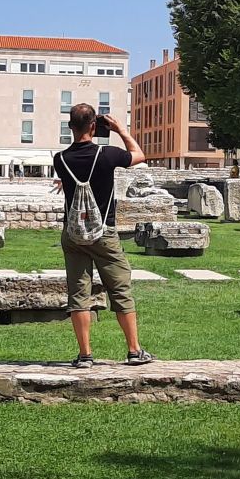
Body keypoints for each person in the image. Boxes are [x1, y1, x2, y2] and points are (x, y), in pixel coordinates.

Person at [53, 104, 153, 368]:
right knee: (120, 288)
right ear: (95, 126)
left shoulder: (60, 159)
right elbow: (139, 155)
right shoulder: (107, 154)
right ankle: (134, 350)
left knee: (78, 293)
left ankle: (85, 355)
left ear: (70, 127)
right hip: (103, 232)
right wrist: (121, 129)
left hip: (73, 233)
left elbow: (73, 179)